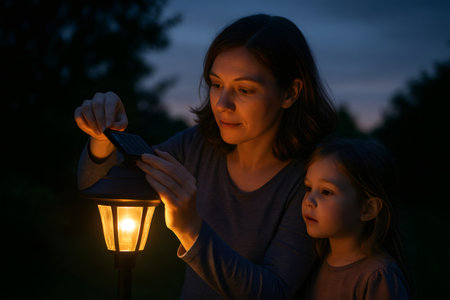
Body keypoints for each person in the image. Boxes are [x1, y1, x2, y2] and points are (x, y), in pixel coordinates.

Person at [75, 14, 337, 299]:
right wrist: (103, 137)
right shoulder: (198, 146)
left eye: (244, 89)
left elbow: (272, 291)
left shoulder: (312, 181)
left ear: (290, 93)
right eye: (216, 84)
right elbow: (98, 185)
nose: (223, 104)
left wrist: (190, 229)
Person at [301, 138, 411, 299]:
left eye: (326, 191)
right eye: (308, 188)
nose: (309, 201)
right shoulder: (314, 262)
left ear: (368, 209)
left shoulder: (378, 276)